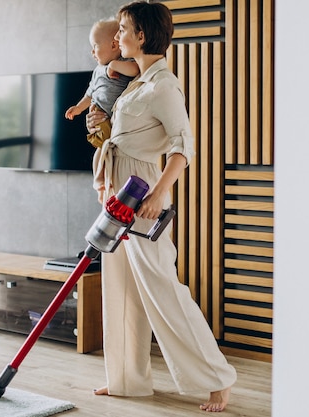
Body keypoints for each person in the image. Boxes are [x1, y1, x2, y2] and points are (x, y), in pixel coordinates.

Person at [85, 1, 237, 413]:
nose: (117, 36)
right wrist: (100, 130)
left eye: (123, 29)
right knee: (123, 288)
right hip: (118, 190)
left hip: (143, 195)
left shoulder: (164, 86)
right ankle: (126, 380)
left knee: (162, 287)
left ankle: (217, 378)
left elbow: (182, 146)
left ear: (143, 35)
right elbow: (126, 136)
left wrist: (156, 195)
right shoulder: (135, 82)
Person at [65, 18, 139, 151]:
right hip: (100, 113)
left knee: (108, 149)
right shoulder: (98, 70)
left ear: (113, 46)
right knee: (102, 150)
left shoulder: (125, 61)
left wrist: (114, 65)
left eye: (95, 46)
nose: (92, 52)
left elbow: (135, 70)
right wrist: (78, 108)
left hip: (117, 118)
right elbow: (90, 93)